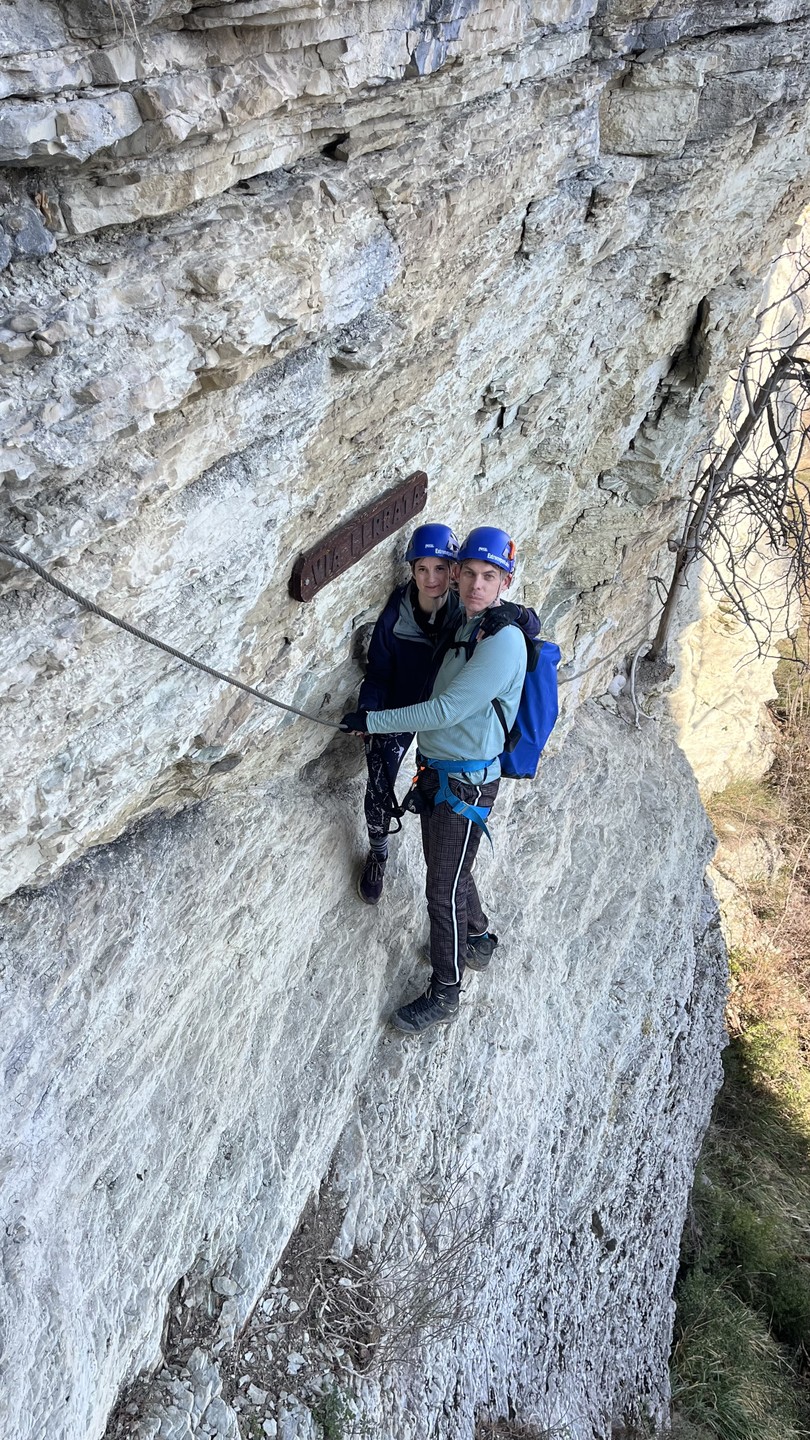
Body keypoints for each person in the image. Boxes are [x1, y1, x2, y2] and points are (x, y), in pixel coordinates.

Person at [341, 526, 531, 1035]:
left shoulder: (501, 640)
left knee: (441, 888)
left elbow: (447, 709)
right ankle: (478, 940)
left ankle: (445, 992)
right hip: (444, 774)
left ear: (505, 581)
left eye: (488, 576)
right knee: (455, 865)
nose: (475, 584)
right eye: (468, 573)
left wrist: (371, 721)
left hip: (464, 783)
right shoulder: (471, 626)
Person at [355, 522, 462, 904]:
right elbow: (380, 672)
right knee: (379, 782)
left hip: (445, 716)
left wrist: (522, 618)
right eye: (422, 569)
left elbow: (500, 616)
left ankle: (449, 873)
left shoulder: (465, 609)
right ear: (412, 570)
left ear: (453, 571)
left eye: (440, 568)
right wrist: (369, 709)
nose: (430, 578)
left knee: (442, 796)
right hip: (399, 709)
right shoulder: (396, 616)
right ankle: (378, 852)